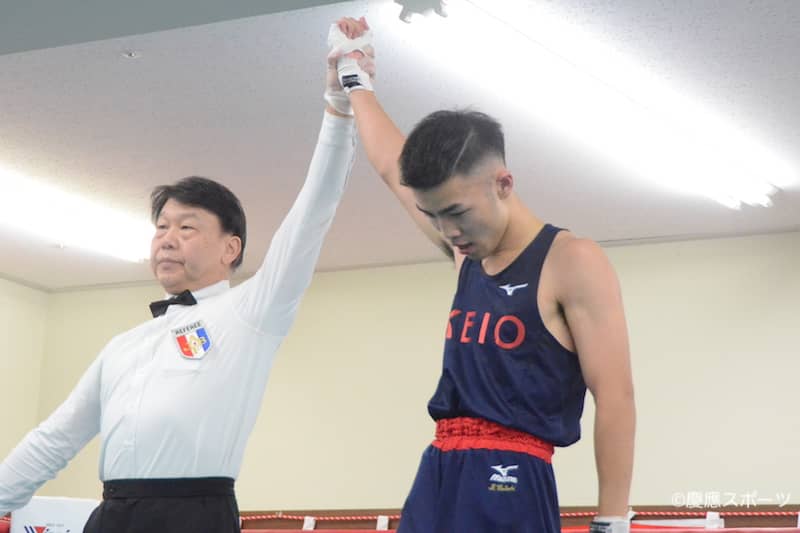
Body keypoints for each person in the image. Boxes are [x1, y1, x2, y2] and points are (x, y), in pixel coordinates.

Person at [0, 47, 362, 532]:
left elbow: (310, 217)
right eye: (161, 227)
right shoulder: (123, 346)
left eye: (187, 227)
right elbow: (54, 440)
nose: (167, 239)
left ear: (230, 247)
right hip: (112, 514)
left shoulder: (249, 315)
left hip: (195, 514)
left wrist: (338, 108)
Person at [329, 17, 635, 533]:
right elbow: (387, 164)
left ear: (503, 184)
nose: (448, 232)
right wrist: (354, 75)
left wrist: (612, 521)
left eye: (456, 212)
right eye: (433, 217)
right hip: (438, 470)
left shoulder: (572, 260)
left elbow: (616, 397)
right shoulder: (465, 254)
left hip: (511, 476)